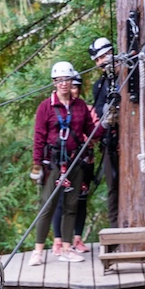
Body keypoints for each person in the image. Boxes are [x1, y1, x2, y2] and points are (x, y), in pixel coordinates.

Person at [30, 61, 99, 266]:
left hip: (75, 162)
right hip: (53, 163)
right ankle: (38, 251)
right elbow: (39, 136)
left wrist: (105, 123)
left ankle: (67, 248)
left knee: (71, 206)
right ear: (54, 82)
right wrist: (36, 164)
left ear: (71, 81)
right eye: (59, 80)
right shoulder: (46, 107)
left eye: (67, 80)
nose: (63, 84)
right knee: (47, 205)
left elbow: (90, 130)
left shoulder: (80, 106)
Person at [51, 71, 96, 254]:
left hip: (84, 159)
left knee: (81, 200)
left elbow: (94, 132)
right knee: (61, 200)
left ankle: (77, 238)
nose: (74, 90)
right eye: (72, 86)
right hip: (64, 160)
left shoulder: (87, 109)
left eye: (76, 86)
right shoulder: (58, 108)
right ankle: (58, 240)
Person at [89, 36, 120, 228]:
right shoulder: (99, 86)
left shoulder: (127, 77)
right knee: (112, 186)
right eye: (98, 60)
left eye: (104, 57)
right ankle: (116, 228)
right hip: (111, 142)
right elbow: (99, 110)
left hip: (131, 139)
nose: (101, 62)